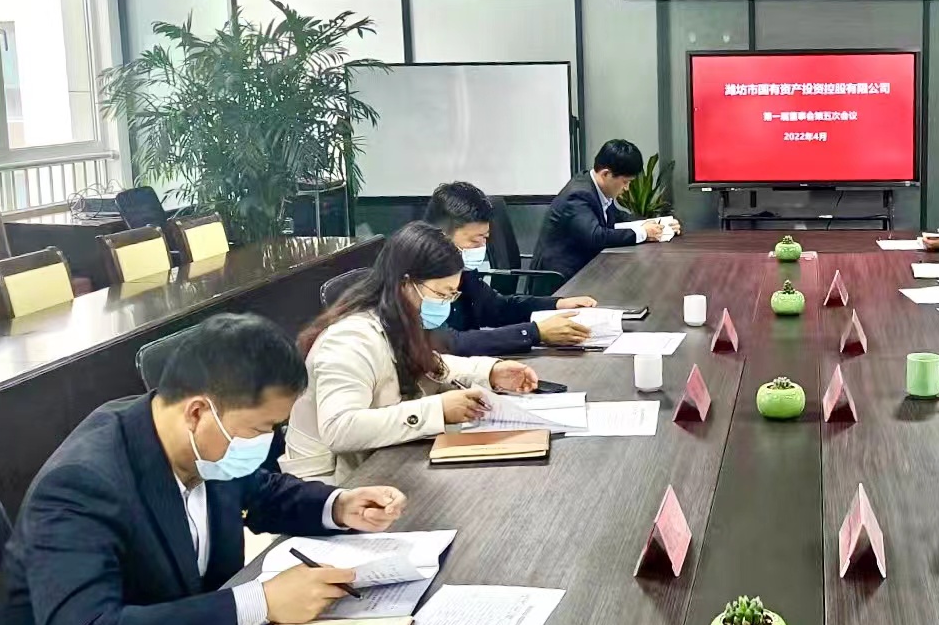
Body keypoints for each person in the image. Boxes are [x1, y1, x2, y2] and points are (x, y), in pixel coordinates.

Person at [0, 314, 407, 625]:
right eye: (261, 429)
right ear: (198, 412)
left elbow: (258, 490)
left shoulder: (199, 444)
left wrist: (337, 505)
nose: (267, 444)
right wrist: (259, 601)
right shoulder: (82, 484)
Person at [281, 222, 539, 483]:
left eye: (451, 295)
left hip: (377, 462)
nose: (444, 304)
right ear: (405, 284)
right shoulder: (349, 340)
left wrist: (491, 372)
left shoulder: (397, 320)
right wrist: (437, 410)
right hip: (329, 484)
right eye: (441, 294)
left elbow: (428, 363)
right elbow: (339, 429)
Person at [424, 181, 599, 354]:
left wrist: (557, 304)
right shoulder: (420, 276)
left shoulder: (463, 270)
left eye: (485, 238)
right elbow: (451, 343)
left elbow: (497, 308)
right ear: (441, 235)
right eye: (475, 241)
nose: (481, 247)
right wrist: (535, 332)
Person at [531, 140, 679, 284]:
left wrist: (657, 224)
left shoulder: (596, 188)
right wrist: (643, 233)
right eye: (625, 182)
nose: (627, 188)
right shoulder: (578, 195)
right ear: (606, 174)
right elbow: (596, 236)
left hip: (585, 270)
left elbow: (617, 217)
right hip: (560, 281)